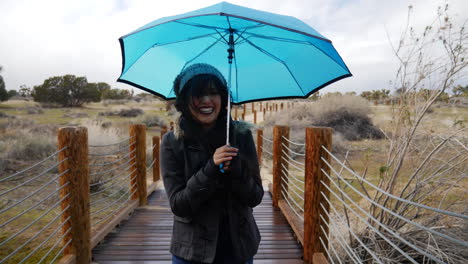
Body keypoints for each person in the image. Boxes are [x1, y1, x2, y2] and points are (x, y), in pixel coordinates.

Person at [160, 63, 264, 264]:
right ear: (184, 101)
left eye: (213, 93)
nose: (206, 100)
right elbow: (179, 205)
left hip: (238, 248)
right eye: (198, 94)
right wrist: (210, 169)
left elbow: (255, 197)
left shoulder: (240, 136)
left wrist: (237, 172)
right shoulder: (172, 142)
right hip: (192, 252)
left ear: (223, 98)